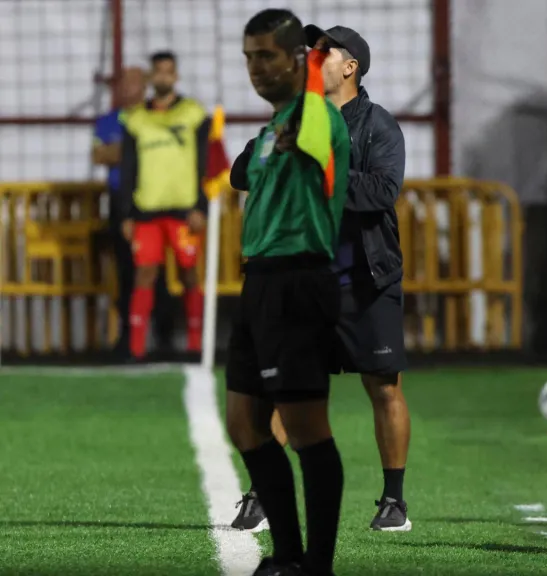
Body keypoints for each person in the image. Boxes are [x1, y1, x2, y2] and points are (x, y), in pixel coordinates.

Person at [230, 23, 412, 535]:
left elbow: (382, 191)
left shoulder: (378, 125)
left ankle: (394, 501)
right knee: (290, 391)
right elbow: (242, 173)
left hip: (365, 278)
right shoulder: (293, 115)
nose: (312, 55)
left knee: (383, 388)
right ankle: (261, 493)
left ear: (350, 65)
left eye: (324, 50)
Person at [225, 8, 350, 576]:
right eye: (249, 57)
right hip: (259, 285)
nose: (255, 68)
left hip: (299, 283)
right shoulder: (273, 128)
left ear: (296, 59)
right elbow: (239, 176)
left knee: (306, 430)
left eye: (266, 56)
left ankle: (314, 565)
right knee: (244, 424)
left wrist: (315, 57)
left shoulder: (317, 116)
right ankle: (290, 556)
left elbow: (314, 94)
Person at [118, 51, 209, 361]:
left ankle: (196, 345)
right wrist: (126, 213)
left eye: (169, 72)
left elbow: (206, 162)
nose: (163, 77)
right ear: (151, 77)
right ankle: (137, 348)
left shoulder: (193, 113)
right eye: (158, 72)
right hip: (146, 211)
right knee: (144, 274)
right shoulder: (135, 119)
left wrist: (201, 206)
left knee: (189, 275)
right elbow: (127, 169)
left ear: (176, 76)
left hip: (185, 210)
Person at [92, 67, 173, 358]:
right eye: (122, 82)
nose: (127, 87)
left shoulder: (157, 115)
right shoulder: (108, 121)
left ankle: (164, 338)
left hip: (152, 199)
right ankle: (128, 339)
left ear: (145, 86)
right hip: (120, 203)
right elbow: (99, 154)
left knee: (157, 271)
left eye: (133, 82)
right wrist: (138, 146)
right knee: (126, 271)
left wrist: (123, 150)